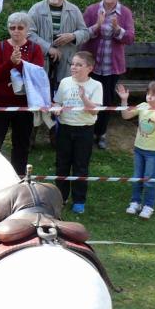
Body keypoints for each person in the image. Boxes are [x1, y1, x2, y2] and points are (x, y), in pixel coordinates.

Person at [0, 11, 45, 173]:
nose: (16, 31)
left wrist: (19, 64)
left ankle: (18, 177)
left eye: (20, 27)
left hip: (24, 104)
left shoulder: (35, 48)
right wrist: (10, 63)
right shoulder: (0, 46)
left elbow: (37, 75)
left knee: (21, 145)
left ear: (27, 29)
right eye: (12, 28)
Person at [82, 0, 135, 149]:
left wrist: (118, 29)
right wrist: (97, 25)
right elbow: (82, 34)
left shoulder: (125, 13)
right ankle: (89, 132)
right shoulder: (92, 10)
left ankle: (101, 133)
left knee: (107, 101)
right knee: (89, 99)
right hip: (92, 65)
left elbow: (130, 38)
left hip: (112, 67)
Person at [52, 50, 103, 213]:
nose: (74, 67)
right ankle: (61, 197)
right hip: (65, 128)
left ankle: (79, 200)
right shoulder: (65, 82)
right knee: (62, 164)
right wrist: (56, 109)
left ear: (89, 68)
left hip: (84, 130)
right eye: (72, 64)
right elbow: (57, 102)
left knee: (81, 165)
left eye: (79, 65)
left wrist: (84, 98)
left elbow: (94, 111)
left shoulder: (96, 85)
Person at [119, 81, 155, 220]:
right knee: (137, 178)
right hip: (139, 149)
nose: (150, 97)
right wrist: (124, 100)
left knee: (149, 180)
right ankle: (135, 202)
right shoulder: (142, 106)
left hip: (153, 152)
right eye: (148, 93)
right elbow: (125, 116)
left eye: (154, 95)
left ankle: (148, 206)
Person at [27, 0, 88, 89]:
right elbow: (28, 34)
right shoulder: (36, 9)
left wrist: (73, 36)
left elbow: (85, 32)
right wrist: (48, 48)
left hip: (66, 63)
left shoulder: (74, 10)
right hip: (41, 62)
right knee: (43, 94)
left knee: (63, 93)